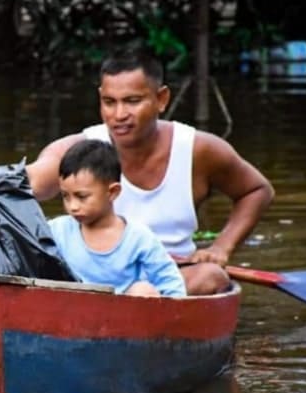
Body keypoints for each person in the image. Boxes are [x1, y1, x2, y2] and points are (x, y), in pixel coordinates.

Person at [26, 46, 275, 295]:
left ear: (161, 99)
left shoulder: (199, 150)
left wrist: (221, 248)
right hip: (91, 282)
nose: (119, 115)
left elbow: (256, 190)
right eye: (109, 102)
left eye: (133, 101)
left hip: (170, 279)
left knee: (211, 277)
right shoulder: (78, 149)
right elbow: (30, 180)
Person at [48, 139, 186, 297]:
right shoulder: (56, 231)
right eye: (65, 196)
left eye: (82, 196)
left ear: (112, 192)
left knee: (143, 290)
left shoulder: (138, 238)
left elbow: (171, 284)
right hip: (72, 311)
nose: (72, 206)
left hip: (122, 315)